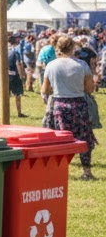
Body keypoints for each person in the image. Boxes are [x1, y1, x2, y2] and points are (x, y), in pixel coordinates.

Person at [42, 34, 97, 180]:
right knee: (84, 138)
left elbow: (45, 90)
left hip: (59, 104)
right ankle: (86, 171)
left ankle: (60, 170)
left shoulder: (51, 65)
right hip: (78, 104)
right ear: (73, 47)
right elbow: (90, 88)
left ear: (57, 48)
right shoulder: (82, 65)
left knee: (61, 139)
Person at [7, 34, 28, 117]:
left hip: (6, 75)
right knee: (17, 95)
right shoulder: (16, 52)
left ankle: (5, 111)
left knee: (6, 95)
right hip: (15, 75)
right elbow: (18, 64)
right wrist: (22, 75)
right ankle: (19, 112)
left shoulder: (5, 51)